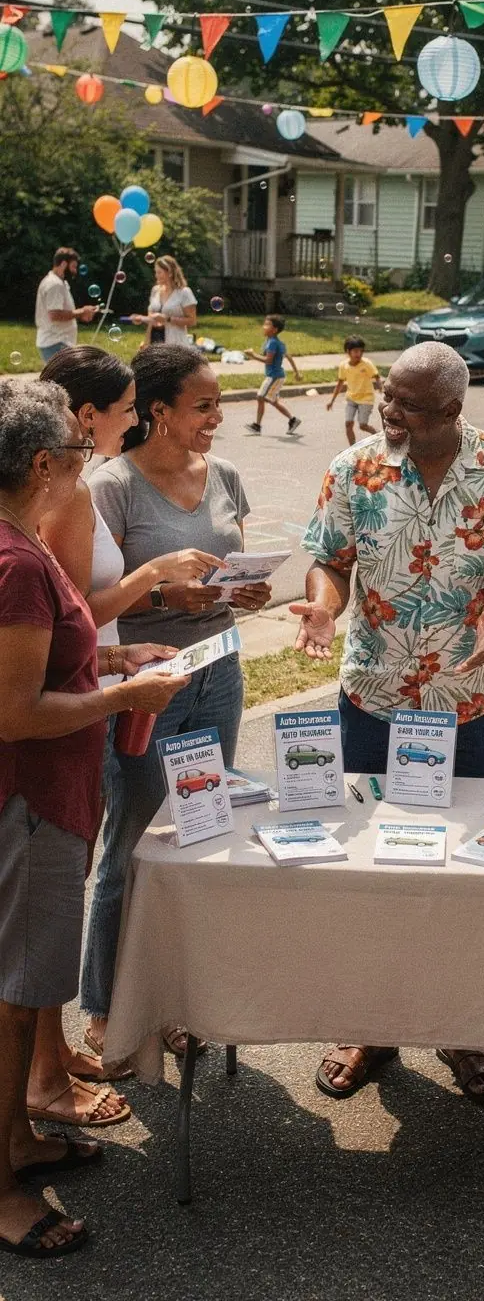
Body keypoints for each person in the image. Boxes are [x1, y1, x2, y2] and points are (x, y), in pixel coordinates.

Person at [293, 341, 484, 1105]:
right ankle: (371, 1024)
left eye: (407, 403)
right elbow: (330, 559)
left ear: (452, 409)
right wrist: (325, 605)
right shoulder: (354, 469)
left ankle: (462, 1027)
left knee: (466, 872)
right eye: (388, 396)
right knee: (371, 870)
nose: (389, 410)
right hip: (374, 702)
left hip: (470, 707)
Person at [0, 378, 187, 1258]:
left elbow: (44, 668)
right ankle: (1, 1192)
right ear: (42, 463)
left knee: (24, 990)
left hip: (43, 802)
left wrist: (111, 661)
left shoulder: (23, 546)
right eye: (77, 454)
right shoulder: (17, 562)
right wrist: (125, 697)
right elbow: (16, 711)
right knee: (16, 1001)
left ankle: (17, 1141)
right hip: (31, 805)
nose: (86, 466)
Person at [30, 346, 222, 1106]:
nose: (136, 418)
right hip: (78, 704)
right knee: (63, 886)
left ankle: (52, 1053)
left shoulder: (76, 485)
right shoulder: (78, 494)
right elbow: (72, 615)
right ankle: (50, 1067)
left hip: (104, 681)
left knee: (65, 883)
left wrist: (116, 659)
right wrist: (152, 579)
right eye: (127, 408)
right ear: (87, 417)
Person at [80, 345, 269, 1065]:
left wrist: (246, 591)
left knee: (199, 831)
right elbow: (92, 602)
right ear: (157, 411)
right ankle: (106, 1004)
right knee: (131, 843)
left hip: (219, 674)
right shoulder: (111, 485)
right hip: (145, 686)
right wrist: (164, 596)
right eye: (204, 406)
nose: (218, 418)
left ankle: (178, 998)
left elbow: (232, 565)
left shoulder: (225, 475)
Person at [34, 248, 97, 363]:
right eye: (73, 267)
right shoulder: (54, 284)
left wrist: (81, 314)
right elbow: (55, 315)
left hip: (58, 342)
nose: (75, 271)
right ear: (63, 264)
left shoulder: (60, 282)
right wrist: (82, 311)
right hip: (55, 342)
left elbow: (60, 312)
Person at [244, 315, 301, 435]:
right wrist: (296, 372)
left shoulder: (273, 343)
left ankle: (257, 426)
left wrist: (253, 355)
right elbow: (288, 357)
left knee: (261, 397)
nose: (263, 327)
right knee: (272, 401)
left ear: (274, 330)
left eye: (267, 325)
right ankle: (292, 420)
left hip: (274, 376)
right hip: (276, 376)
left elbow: (268, 361)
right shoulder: (274, 342)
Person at [326, 335, 382, 446]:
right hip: (351, 398)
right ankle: (352, 448)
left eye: (361, 351)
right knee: (348, 424)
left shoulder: (366, 364)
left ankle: (380, 437)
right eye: (356, 351)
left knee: (363, 425)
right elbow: (340, 384)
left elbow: (376, 376)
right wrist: (331, 401)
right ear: (348, 351)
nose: (359, 354)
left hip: (366, 399)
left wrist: (381, 387)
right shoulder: (344, 366)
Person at [130, 255, 196, 346]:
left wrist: (168, 319)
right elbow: (152, 319)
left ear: (170, 272)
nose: (156, 275)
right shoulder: (155, 290)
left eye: (159, 272)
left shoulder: (184, 292)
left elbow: (192, 321)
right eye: (155, 272)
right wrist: (141, 319)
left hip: (176, 344)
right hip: (154, 343)